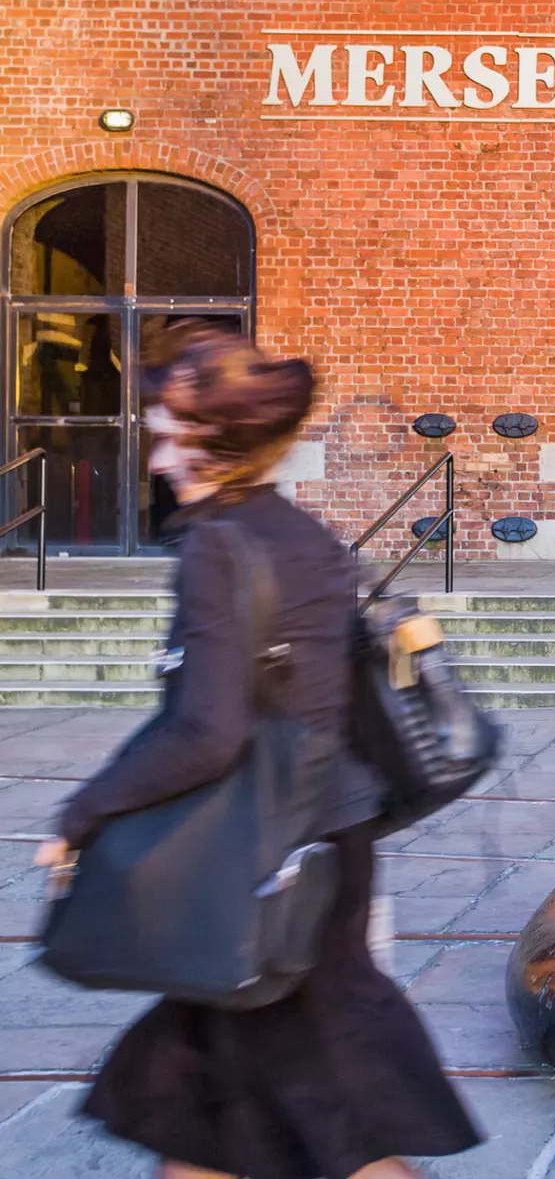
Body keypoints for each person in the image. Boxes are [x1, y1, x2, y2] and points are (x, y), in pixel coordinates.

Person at [34, 325, 480, 1179]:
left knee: (319, 1113)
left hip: (260, 862)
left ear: (213, 440)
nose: (157, 456)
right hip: (319, 842)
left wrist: (83, 813)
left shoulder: (216, 550)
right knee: (215, 1116)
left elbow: (207, 733)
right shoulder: (303, 538)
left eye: (167, 433)